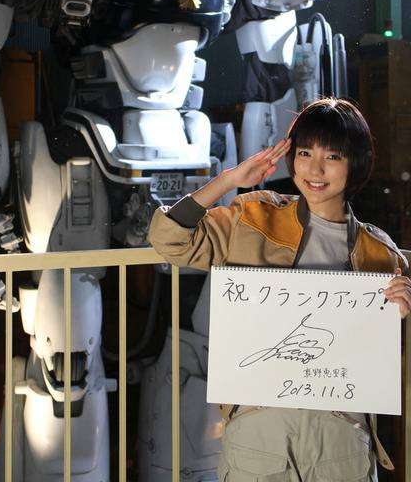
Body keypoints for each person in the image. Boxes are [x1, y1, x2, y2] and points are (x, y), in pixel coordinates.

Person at [148, 98, 411, 482]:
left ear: (356, 163)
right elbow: (169, 240)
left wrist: (398, 315)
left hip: (340, 430)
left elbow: (384, 362)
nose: (315, 169)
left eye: (332, 156)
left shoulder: (381, 253)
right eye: (304, 153)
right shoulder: (254, 217)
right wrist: (228, 181)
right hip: (259, 425)